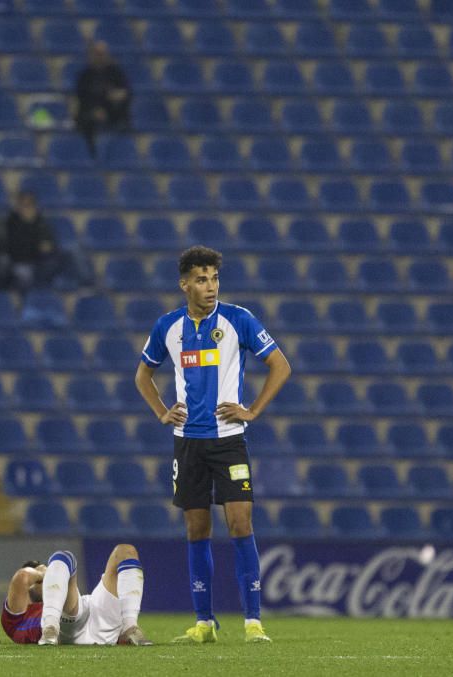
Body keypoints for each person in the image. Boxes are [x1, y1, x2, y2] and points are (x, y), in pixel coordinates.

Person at [134, 245, 292, 644]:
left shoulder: (239, 319)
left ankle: (253, 623)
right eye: (202, 279)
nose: (210, 287)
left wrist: (252, 409)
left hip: (228, 441)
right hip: (188, 444)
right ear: (184, 283)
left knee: (241, 523)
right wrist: (161, 411)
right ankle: (205, 624)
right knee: (196, 528)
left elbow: (280, 365)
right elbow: (142, 376)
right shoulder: (168, 326)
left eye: (215, 278)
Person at [1, 544, 153, 646]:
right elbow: (22, 577)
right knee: (63, 557)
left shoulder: (59, 593)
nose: (48, 583)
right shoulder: (17, 619)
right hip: (69, 626)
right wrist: (42, 572)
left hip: (96, 615)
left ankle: (130, 628)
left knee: (126, 551)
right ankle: (50, 628)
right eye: (42, 581)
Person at [74, 40, 131, 156]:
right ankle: (91, 154)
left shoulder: (115, 72)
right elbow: (82, 97)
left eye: (103, 54)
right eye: (97, 54)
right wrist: (93, 111)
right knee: (85, 122)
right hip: (90, 113)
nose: (100, 57)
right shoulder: (85, 75)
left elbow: (126, 91)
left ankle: (120, 154)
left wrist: (119, 95)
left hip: (112, 110)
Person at [5, 191, 59, 292]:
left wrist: (48, 246)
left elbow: (49, 242)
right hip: (19, 262)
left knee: (67, 252)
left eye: (30, 205)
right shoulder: (11, 222)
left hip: (39, 261)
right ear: (18, 207)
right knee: (25, 276)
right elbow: (15, 246)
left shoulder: (41, 222)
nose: (28, 208)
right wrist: (28, 225)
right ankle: (27, 303)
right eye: (24, 205)